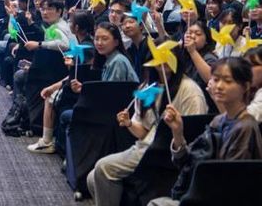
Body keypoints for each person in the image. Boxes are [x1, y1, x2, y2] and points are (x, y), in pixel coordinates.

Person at [86, 51, 207, 206]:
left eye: (168, 55)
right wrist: (129, 123)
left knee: (103, 167)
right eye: (159, 55)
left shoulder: (190, 91)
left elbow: (195, 134)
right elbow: (143, 132)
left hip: (163, 153)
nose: (163, 60)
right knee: (92, 178)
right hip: (144, 148)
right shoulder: (148, 87)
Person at [147, 57, 262, 205]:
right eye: (216, 79)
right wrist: (178, 132)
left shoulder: (245, 127)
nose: (219, 86)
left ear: (245, 86)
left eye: (228, 81)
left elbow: (231, 183)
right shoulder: (219, 120)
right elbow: (186, 161)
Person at [29, 22, 139, 154]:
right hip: (108, 108)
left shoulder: (118, 61)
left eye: (105, 39)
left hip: (118, 114)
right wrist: (83, 89)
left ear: (116, 42)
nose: (99, 43)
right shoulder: (109, 58)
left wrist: (84, 92)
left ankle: (74, 156)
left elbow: (112, 96)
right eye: (97, 38)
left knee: (68, 114)